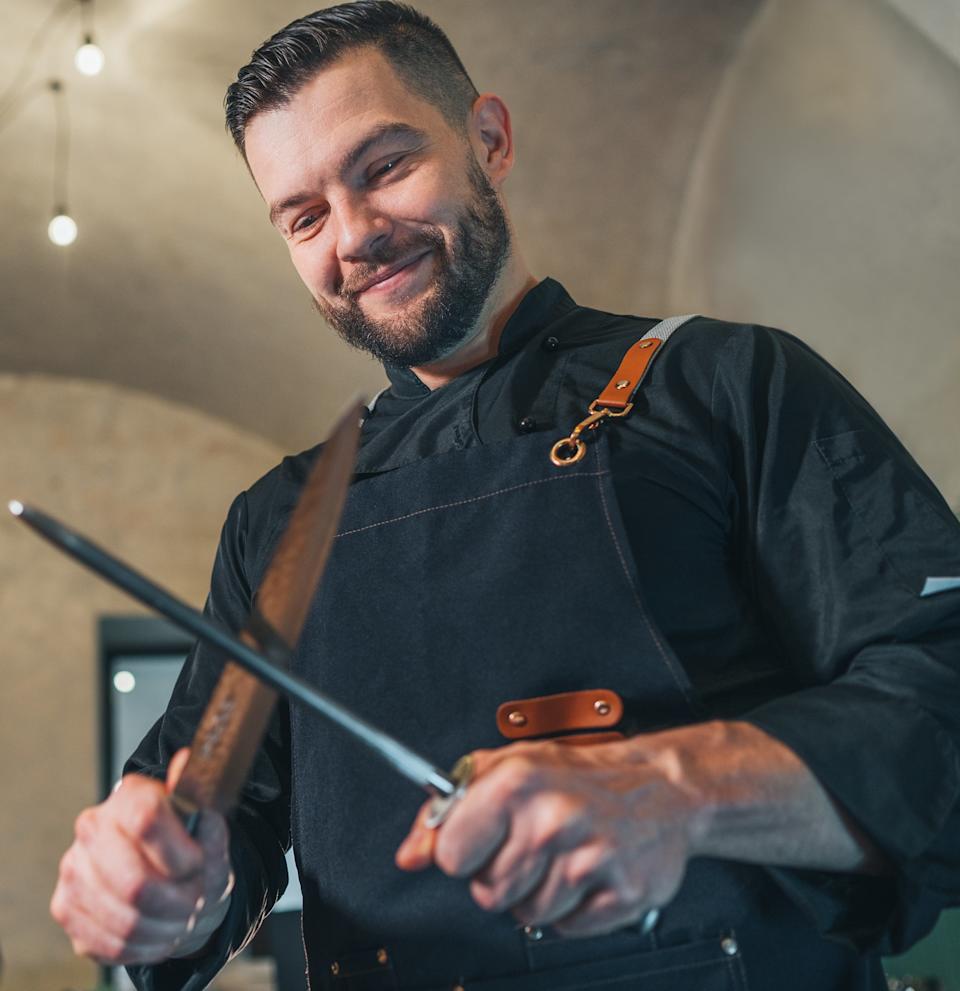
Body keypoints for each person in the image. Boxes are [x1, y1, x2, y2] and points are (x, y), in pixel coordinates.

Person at [50, 3, 960, 989]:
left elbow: (939, 697)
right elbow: (220, 833)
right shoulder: (277, 521)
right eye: (303, 216)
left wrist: (678, 791)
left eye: (385, 167)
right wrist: (158, 887)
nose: (354, 236)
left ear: (490, 137)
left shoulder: (730, 385)